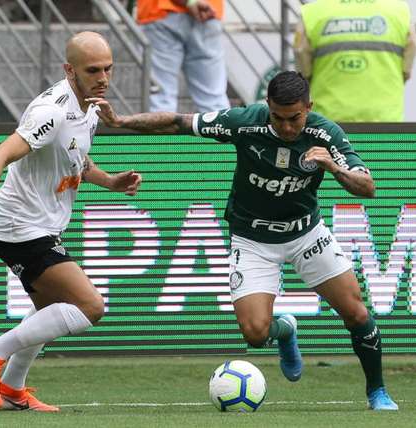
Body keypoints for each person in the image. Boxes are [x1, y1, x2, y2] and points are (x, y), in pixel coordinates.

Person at [88, 70, 398, 410]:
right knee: (254, 333)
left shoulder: (325, 134)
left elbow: (367, 187)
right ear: (268, 106)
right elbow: (178, 121)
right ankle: (286, 331)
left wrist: (333, 167)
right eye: (278, 118)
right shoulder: (245, 122)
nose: (287, 127)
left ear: (308, 107)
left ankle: (377, 392)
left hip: (307, 234)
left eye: (294, 118)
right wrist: (120, 121)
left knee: (355, 312)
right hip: (252, 239)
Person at [0, 32, 142, 412]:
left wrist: (109, 181)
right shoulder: (51, 111)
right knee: (90, 306)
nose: (103, 77)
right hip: (18, 226)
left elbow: (76, 161)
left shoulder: (90, 106)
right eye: (93, 70)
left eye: (108, 68)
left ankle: (11, 389)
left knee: (49, 310)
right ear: (69, 69)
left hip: (43, 224)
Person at [293, 0, 416, 122]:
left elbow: (303, 73)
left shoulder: (312, 13)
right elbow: (407, 68)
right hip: (385, 121)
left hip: (329, 124)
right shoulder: (400, 11)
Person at [136, 0, 230, 112]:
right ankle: (221, 127)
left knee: (161, 99)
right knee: (214, 101)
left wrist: (190, 2)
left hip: (160, 12)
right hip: (208, 11)